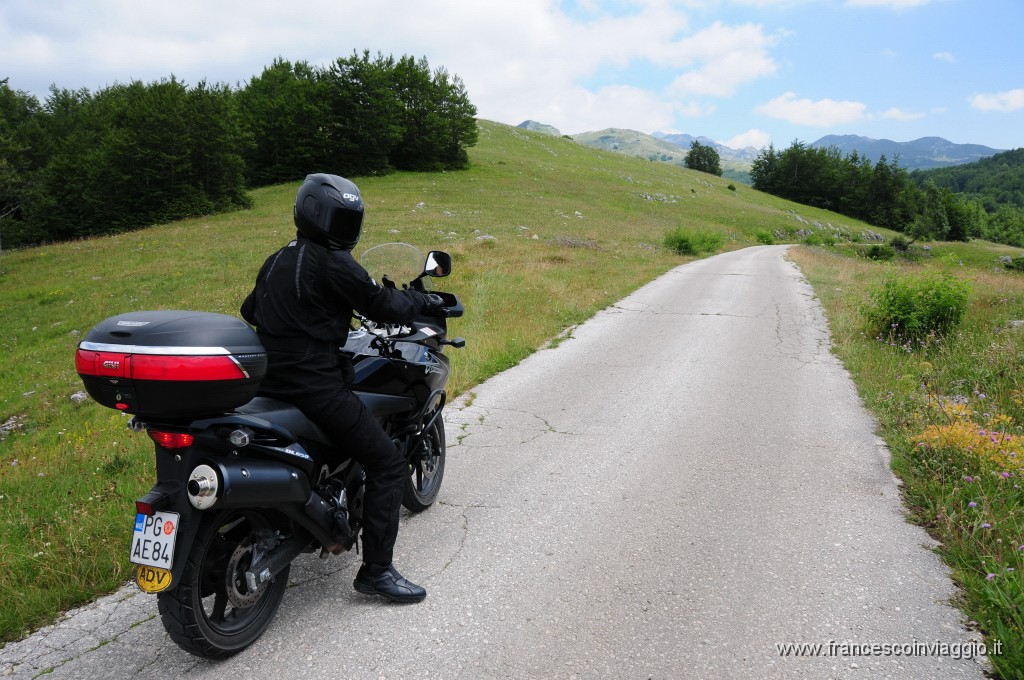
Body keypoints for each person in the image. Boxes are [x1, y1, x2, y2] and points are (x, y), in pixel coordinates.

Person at [241, 173, 443, 604]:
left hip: (269, 385)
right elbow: (381, 304)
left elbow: (249, 308)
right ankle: (376, 572)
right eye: (340, 218)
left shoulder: (276, 259)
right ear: (319, 218)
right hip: (316, 387)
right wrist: (426, 301)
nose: (344, 227)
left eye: (349, 220)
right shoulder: (332, 262)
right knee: (388, 462)